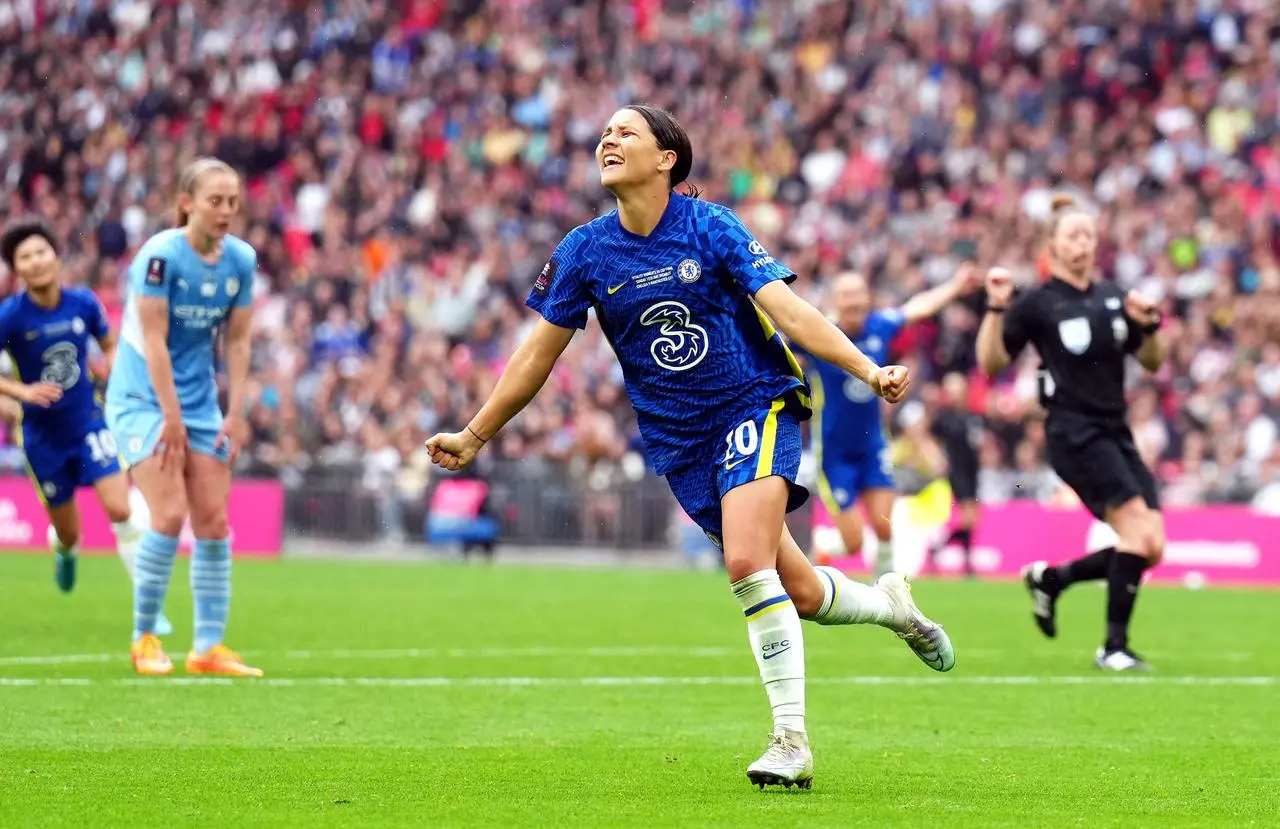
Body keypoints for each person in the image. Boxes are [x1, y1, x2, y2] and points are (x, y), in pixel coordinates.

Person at [425, 105, 955, 790]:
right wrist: (474, 433)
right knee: (796, 589)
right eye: (605, 132)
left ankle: (790, 741)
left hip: (754, 402)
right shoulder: (585, 250)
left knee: (744, 561)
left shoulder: (710, 226)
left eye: (626, 132)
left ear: (667, 157)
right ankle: (894, 608)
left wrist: (865, 368)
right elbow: (536, 355)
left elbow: (788, 311)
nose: (607, 139)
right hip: (680, 440)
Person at [976, 194, 1166, 671]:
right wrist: (996, 309)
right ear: (1053, 245)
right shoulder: (1040, 302)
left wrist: (1152, 325)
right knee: (1138, 535)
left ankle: (1052, 581)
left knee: (1153, 546)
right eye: (1072, 236)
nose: (1082, 243)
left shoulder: (1113, 297)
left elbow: (1153, 360)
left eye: (1088, 235)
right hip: (1074, 432)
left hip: (1116, 430)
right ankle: (1114, 648)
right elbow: (991, 362)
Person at [105, 157, 261, 678]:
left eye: (233, 201)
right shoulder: (159, 257)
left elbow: (237, 340)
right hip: (140, 399)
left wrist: (235, 411)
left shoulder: (240, 260)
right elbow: (153, 340)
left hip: (198, 403)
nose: (226, 211)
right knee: (169, 513)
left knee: (214, 520)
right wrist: (169, 416)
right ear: (187, 202)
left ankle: (207, 648)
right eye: (215, 201)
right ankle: (144, 637)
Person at [0, 217, 172, 634]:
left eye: (42, 252)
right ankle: (65, 551)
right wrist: (22, 393)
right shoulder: (10, 316)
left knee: (121, 510)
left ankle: (149, 611)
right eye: (26, 257)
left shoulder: (83, 303)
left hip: (89, 423)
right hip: (42, 438)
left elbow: (108, 342)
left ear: (56, 257)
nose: (36, 261)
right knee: (70, 532)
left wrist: (112, 369)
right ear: (16, 269)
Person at [795, 264, 981, 577]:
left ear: (867, 298)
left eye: (857, 293)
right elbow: (780, 342)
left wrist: (955, 285)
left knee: (884, 529)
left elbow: (917, 307)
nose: (853, 301)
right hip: (834, 454)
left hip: (872, 445)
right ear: (834, 301)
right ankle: (826, 544)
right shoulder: (819, 334)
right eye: (845, 295)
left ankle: (885, 594)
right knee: (853, 543)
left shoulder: (879, 326)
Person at [927, 372, 985, 577]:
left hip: (973, 470)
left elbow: (979, 443)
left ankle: (949, 553)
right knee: (968, 518)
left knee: (973, 519)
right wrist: (938, 458)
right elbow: (929, 437)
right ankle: (946, 552)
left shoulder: (974, 417)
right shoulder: (945, 418)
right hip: (957, 470)